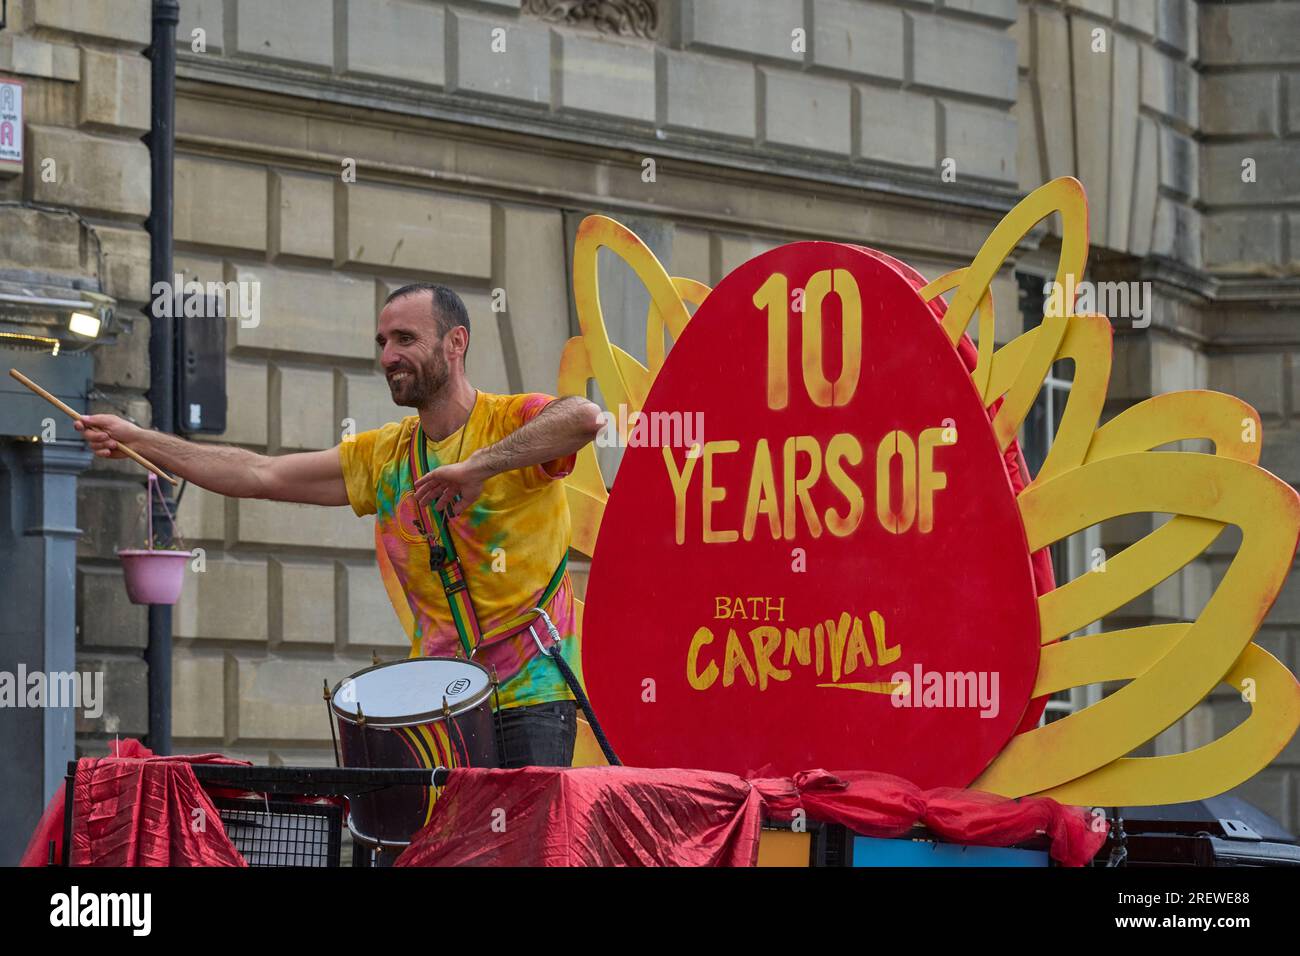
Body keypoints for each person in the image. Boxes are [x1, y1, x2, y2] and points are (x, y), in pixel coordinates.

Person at [78, 283, 604, 768]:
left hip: (531, 699)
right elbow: (259, 473)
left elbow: (583, 417)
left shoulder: (509, 421)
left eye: (404, 338)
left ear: (455, 342)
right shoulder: (385, 456)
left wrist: (478, 467)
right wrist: (140, 438)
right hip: (438, 705)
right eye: (381, 341)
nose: (387, 356)